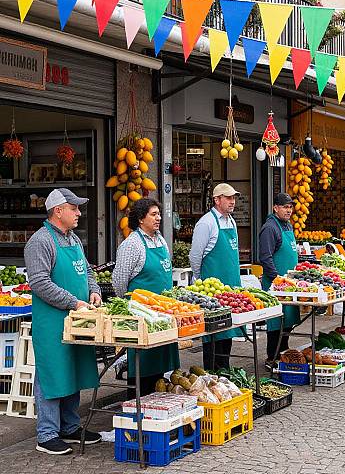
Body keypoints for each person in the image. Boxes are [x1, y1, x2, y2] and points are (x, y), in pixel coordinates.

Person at [24, 188, 101, 455]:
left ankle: (70, 427)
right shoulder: (40, 241)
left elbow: (88, 270)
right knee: (52, 373)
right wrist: (74, 302)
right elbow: (40, 283)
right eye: (74, 208)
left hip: (77, 320)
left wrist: (94, 291)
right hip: (53, 323)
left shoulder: (74, 240)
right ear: (59, 211)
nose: (79, 213)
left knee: (73, 370)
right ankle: (46, 435)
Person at [112, 198, 179, 397]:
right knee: (142, 368)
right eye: (153, 214)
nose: (158, 218)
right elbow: (119, 281)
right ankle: (137, 413)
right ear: (141, 219)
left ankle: (158, 408)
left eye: (158, 214)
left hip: (163, 315)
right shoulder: (132, 244)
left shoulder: (161, 240)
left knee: (159, 371)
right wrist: (132, 306)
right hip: (143, 317)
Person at [189, 183, 244, 370]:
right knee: (213, 336)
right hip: (212, 292)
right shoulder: (206, 223)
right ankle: (212, 373)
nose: (232, 201)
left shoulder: (231, 221)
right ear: (217, 200)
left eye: (233, 198)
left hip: (231, 290)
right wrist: (201, 279)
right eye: (228, 198)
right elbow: (195, 256)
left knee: (227, 334)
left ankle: (225, 372)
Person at [259, 193, 300, 369]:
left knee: (288, 320)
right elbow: (265, 257)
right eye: (285, 207)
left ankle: (284, 351)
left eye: (290, 207)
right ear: (275, 208)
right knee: (276, 322)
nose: (288, 210)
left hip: (289, 285)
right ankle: (272, 356)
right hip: (276, 285)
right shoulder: (270, 228)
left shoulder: (287, 226)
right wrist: (276, 279)